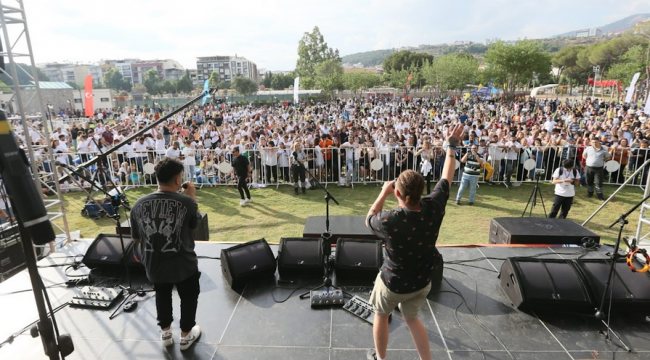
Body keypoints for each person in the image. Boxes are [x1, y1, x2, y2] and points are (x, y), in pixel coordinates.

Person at [365, 123, 464, 360]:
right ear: (422, 192)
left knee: (380, 315)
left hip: (393, 282)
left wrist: (382, 193)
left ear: (397, 193)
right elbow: (447, 177)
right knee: (411, 318)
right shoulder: (434, 205)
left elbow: (369, 220)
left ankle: (380, 358)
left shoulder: (389, 220)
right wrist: (451, 146)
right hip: (422, 280)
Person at [129, 157, 202, 350]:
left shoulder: (138, 204)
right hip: (183, 264)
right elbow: (195, 225)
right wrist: (191, 195)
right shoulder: (187, 202)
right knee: (188, 295)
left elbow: (137, 239)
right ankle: (186, 336)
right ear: (178, 180)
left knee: (162, 294)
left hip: (154, 263)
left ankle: (166, 333)